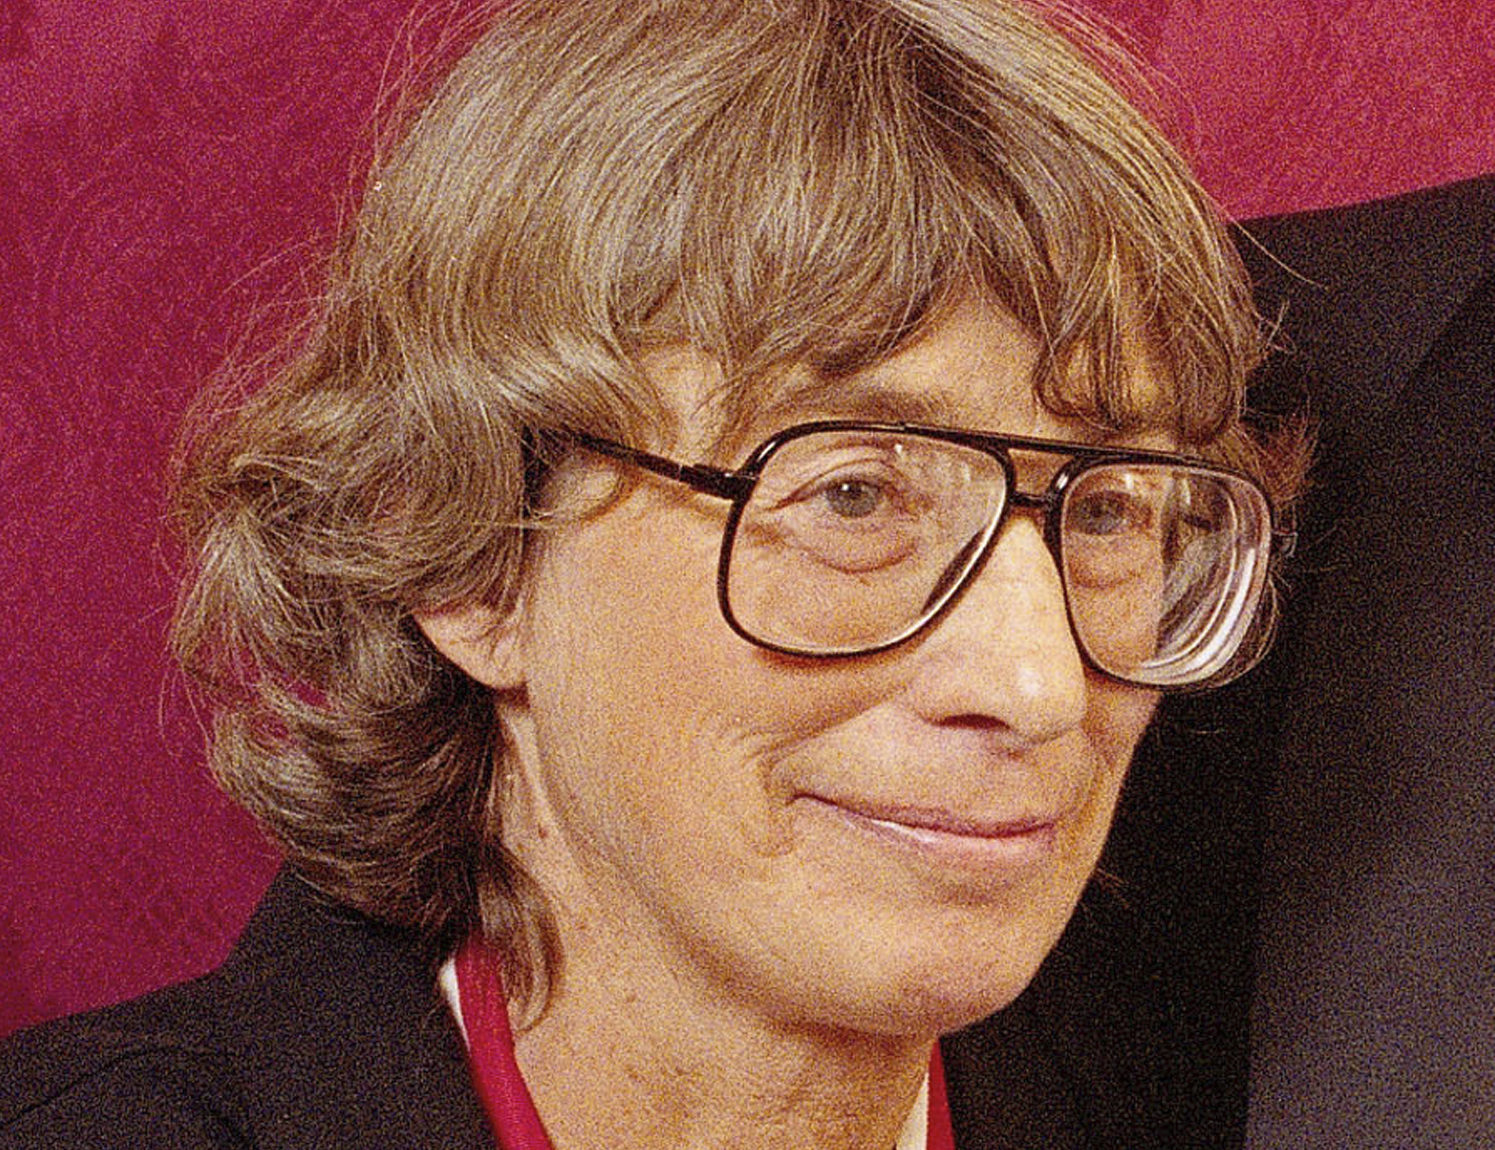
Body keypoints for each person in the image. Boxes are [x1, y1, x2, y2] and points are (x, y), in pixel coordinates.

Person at [0, 0, 1304, 1146]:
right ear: (466, 557)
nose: (1037, 683)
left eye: (1114, 508)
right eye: (854, 494)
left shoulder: (1278, 1097)